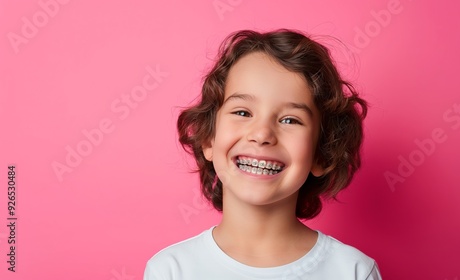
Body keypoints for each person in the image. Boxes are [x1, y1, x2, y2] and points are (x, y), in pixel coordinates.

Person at [144, 29, 382, 279]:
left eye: (290, 120)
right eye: (243, 113)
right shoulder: (171, 270)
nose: (262, 134)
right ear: (208, 139)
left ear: (321, 154)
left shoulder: (352, 271)